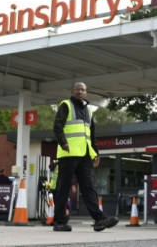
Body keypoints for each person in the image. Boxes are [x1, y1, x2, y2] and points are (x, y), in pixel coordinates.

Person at [52, 82, 118, 232]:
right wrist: (63, 143)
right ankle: (59, 222)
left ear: (86, 93)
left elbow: (91, 135)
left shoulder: (89, 110)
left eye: (83, 90)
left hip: (85, 155)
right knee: (63, 188)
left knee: (89, 188)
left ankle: (99, 220)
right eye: (77, 89)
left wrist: (96, 153)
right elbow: (57, 126)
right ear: (72, 91)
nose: (80, 92)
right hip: (68, 154)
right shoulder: (66, 105)